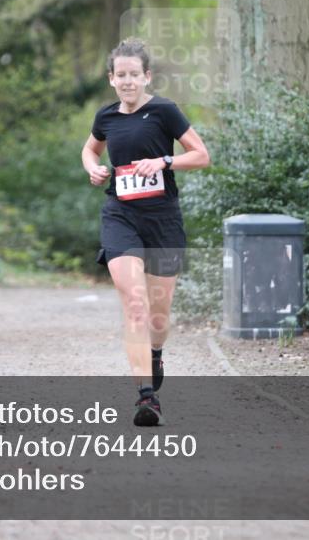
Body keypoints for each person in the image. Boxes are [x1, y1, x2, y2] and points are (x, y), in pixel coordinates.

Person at [81, 38, 210, 426]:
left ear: (146, 76)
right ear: (111, 79)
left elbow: (201, 155)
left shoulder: (165, 111)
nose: (127, 82)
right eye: (120, 75)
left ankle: (155, 354)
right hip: (120, 215)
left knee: (158, 314)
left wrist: (164, 161)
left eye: (134, 75)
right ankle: (146, 397)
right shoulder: (106, 117)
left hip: (163, 219)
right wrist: (93, 167)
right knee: (134, 303)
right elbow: (90, 150)